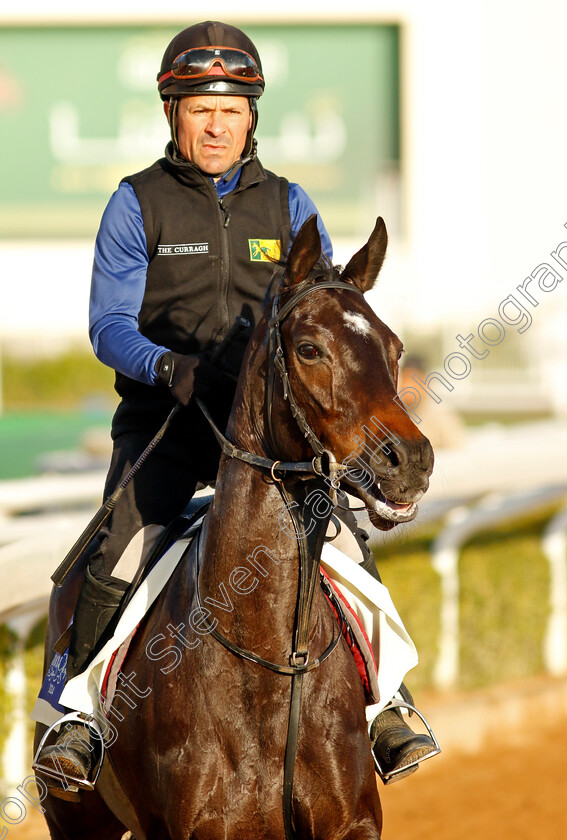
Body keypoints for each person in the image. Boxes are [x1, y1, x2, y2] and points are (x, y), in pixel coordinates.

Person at [36, 20, 437, 795]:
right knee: (118, 552)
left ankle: (392, 706)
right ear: (172, 114)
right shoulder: (134, 204)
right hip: (166, 422)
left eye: (230, 109)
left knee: (347, 548)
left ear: (251, 116)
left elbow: (321, 303)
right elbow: (108, 323)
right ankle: (75, 718)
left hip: (272, 432)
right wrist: (163, 363)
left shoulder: (290, 204)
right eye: (199, 109)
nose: (215, 125)